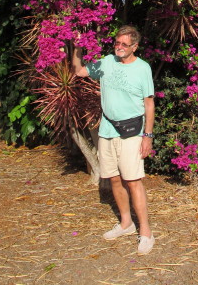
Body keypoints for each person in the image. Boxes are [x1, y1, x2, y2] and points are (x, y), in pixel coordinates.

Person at [72, 25, 155, 256]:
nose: (119, 47)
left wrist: (147, 136)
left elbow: (149, 104)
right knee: (115, 179)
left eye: (124, 44)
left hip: (132, 131)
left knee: (134, 180)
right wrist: (78, 47)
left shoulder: (143, 69)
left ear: (134, 47)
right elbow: (79, 72)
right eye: (117, 43)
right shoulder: (107, 62)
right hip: (107, 130)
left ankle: (146, 232)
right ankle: (126, 224)